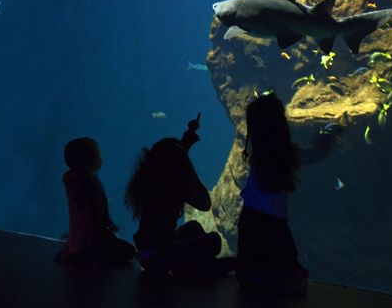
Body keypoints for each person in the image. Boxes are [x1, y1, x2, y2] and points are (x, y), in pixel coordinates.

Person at [237, 92, 339, 296]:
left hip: (251, 221)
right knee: (291, 278)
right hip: (272, 225)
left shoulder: (259, 154)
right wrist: (330, 135)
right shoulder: (283, 155)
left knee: (254, 277)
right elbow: (317, 154)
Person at [125, 113, 235, 277]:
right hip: (160, 255)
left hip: (147, 252)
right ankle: (194, 268)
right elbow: (205, 203)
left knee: (194, 227)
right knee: (214, 241)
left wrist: (189, 134)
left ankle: (194, 266)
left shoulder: (153, 178)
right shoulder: (176, 186)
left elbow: (171, 156)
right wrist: (189, 172)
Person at [55, 137, 135, 267]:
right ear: (89, 160)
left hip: (77, 241)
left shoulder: (72, 181)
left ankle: (75, 252)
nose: (101, 156)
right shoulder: (91, 186)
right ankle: (89, 258)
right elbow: (94, 220)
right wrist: (96, 252)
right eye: (98, 154)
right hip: (91, 243)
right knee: (130, 251)